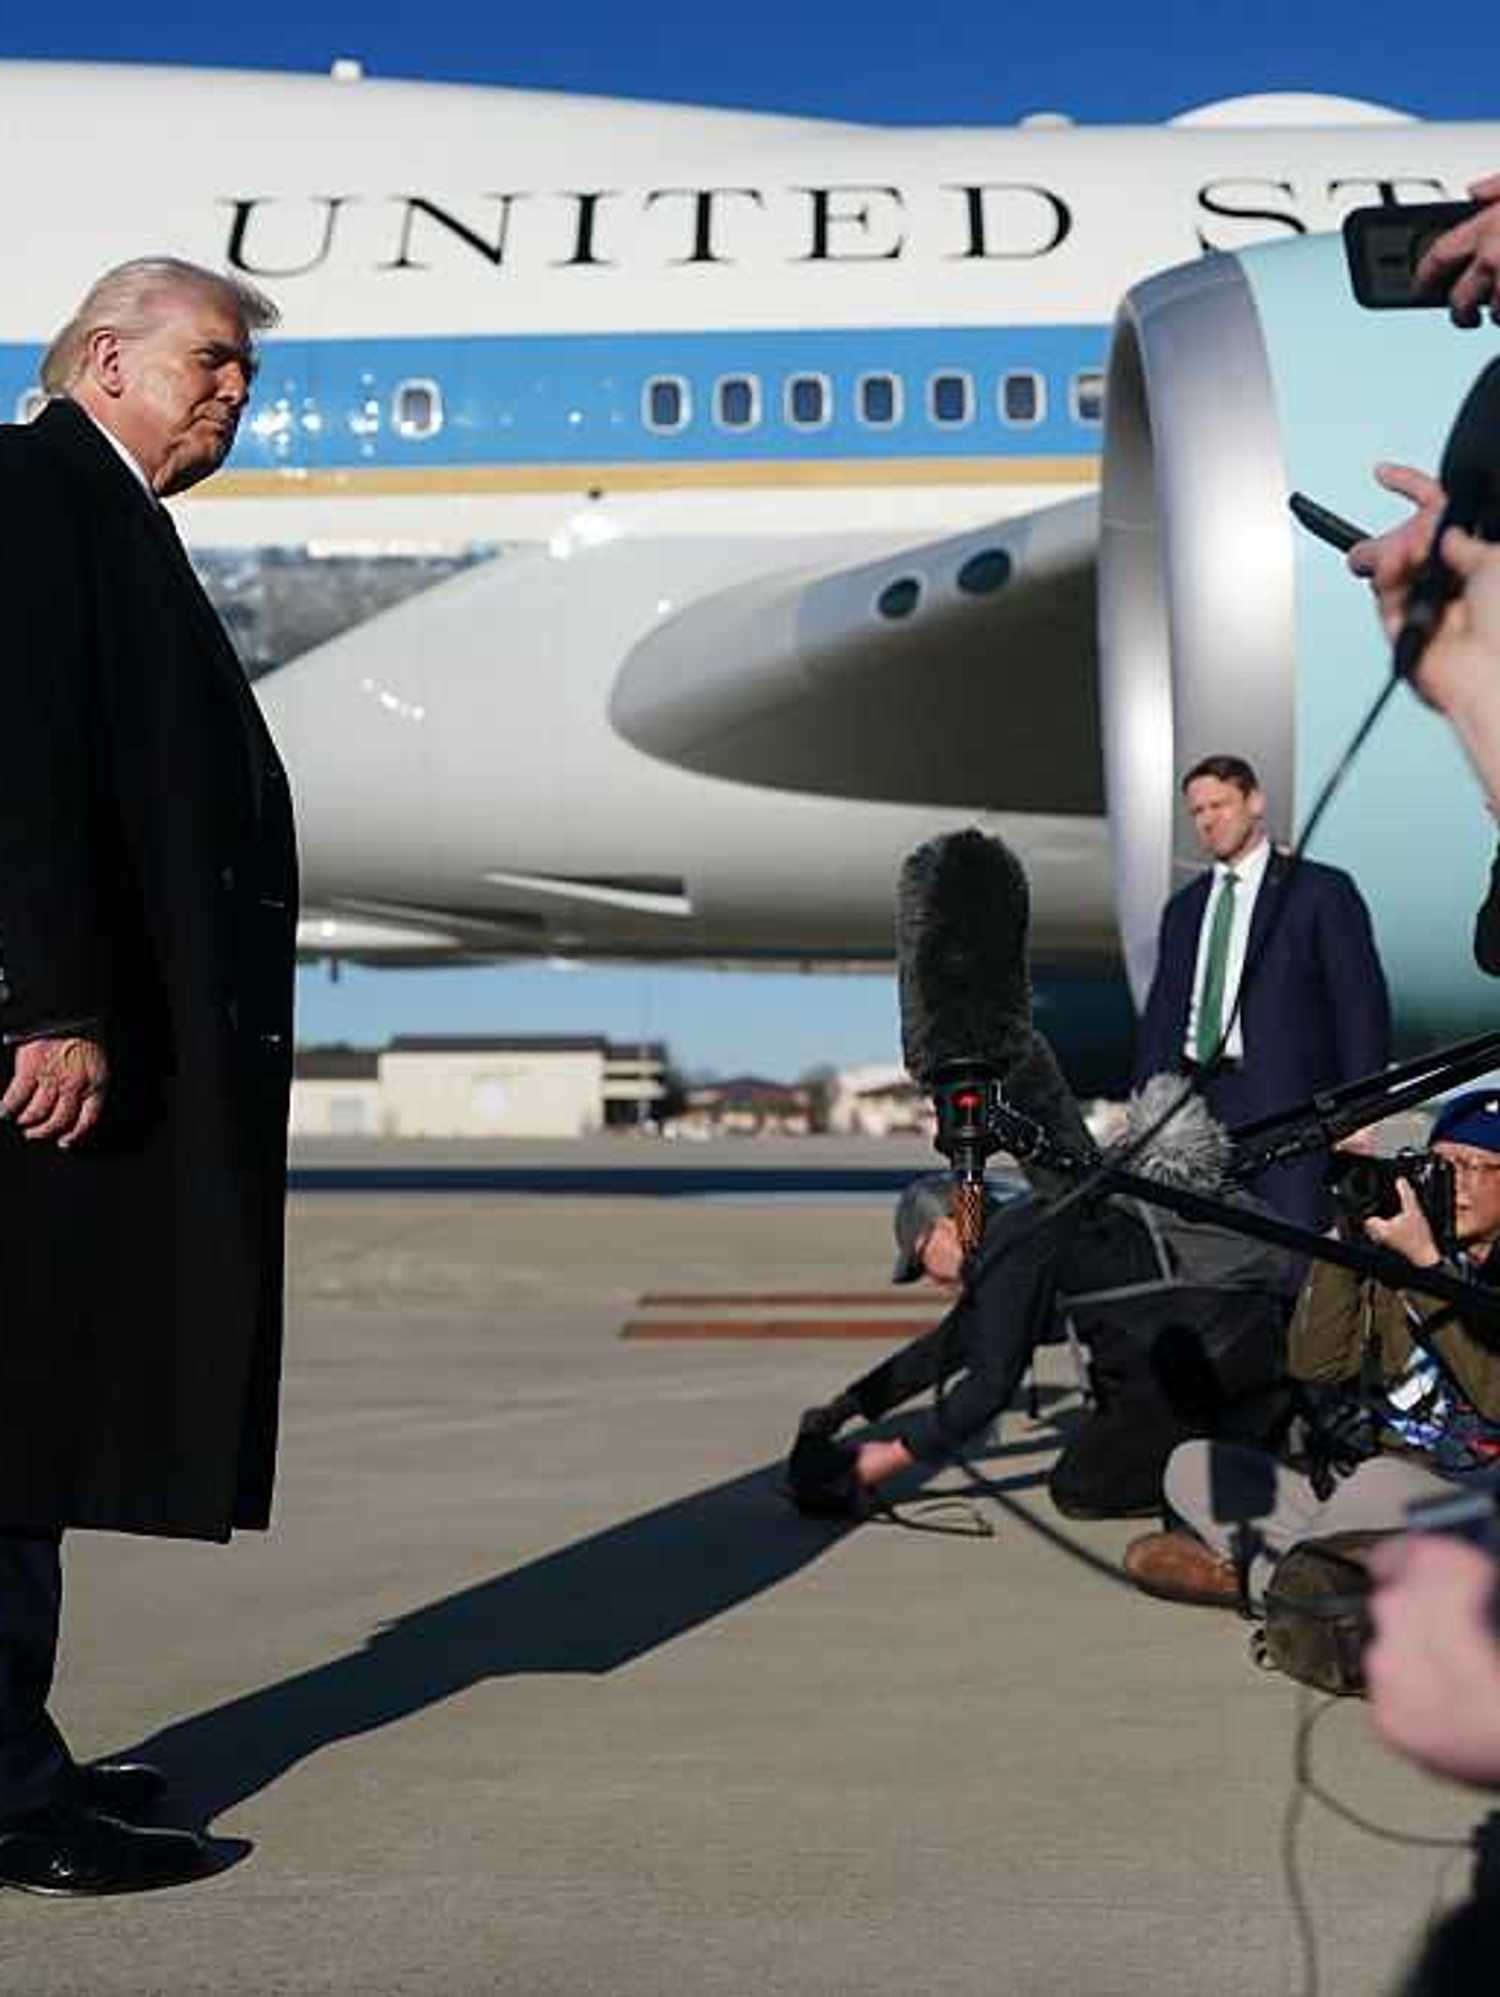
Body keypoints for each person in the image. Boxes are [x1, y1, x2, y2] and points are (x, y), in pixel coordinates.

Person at [0, 258, 296, 1894]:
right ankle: (5, 1798)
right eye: (214, 360)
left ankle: (19, 1756)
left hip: (71, 1041)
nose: (233, 392)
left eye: (245, 372)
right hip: (39, 1058)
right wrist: (44, 1002)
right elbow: (18, 758)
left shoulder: (107, 515)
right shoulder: (35, 494)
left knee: (31, 1430)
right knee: (11, 1430)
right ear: (106, 359)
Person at [786, 1081, 1301, 1520]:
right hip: (1246, 1338)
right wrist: (842, 1410)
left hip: (1195, 1360)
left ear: (946, 1227)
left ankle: (1237, 1464)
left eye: (922, 1261)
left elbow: (988, 1388)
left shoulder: (1010, 1246)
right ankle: (1255, 1428)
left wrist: (880, 1462)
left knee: (1081, 1488)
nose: (932, 1280)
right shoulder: (1037, 1219)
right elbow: (948, 1346)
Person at [1124, 1089, 1500, 1609]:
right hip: (1383, 1500)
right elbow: (1316, 1364)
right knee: (1192, 1468)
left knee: (1378, 1483)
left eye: (1476, 1166)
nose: (1455, 1182)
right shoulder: (1400, 1254)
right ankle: (1336, 1591)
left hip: (1475, 1502)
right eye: (1442, 1164)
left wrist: (1427, 1270)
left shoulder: (1424, 1261)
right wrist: (1345, 1238)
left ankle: (1285, 1594)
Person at [1133, 754, 1391, 1228]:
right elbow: (1162, 1015)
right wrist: (1148, 1106)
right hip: (1199, 1101)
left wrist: (1362, 1111)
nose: (1208, 820)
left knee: (1291, 1237)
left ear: (1254, 802)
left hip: (1286, 1098)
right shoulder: (1185, 909)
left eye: (1219, 805)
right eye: (1197, 811)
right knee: (1206, 1242)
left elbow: (1359, 1007)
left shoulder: (1317, 891)